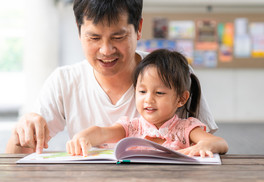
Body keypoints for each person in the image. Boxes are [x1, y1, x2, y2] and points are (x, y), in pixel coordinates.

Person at [6, 0, 218, 154]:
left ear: (139, 28)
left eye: (118, 37)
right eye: (94, 38)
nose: (106, 50)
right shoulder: (64, 82)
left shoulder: (169, 73)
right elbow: (18, 159)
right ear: (79, 31)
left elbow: (206, 149)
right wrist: (22, 132)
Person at [66, 49, 228, 157]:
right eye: (142, 91)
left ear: (181, 99)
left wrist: (205, 145)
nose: (148, 99)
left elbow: (220, 143)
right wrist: (83, 136)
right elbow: (101, 132)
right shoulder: (132, 127)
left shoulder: (185, 128)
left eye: (159, 93)